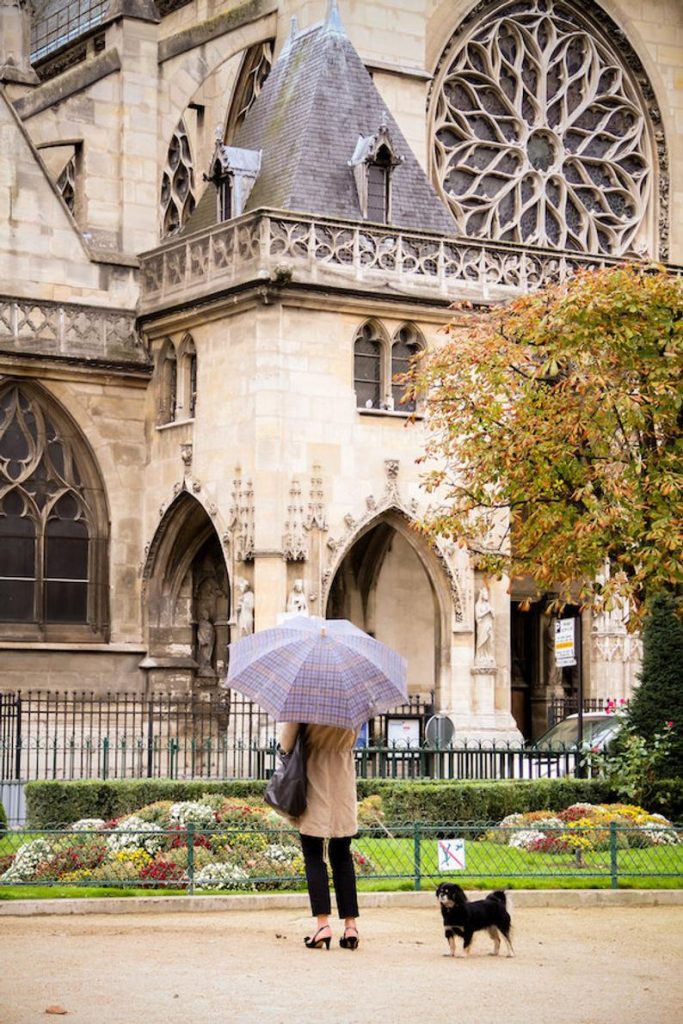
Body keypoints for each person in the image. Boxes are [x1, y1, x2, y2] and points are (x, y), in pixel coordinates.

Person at [277, 720, 360, 951]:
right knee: (342, 855)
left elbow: (286, 744)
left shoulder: (306, 702)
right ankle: (350, 926)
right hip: (343, 778)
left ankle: (323, 925)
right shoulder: (353, 703)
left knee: (313, 855)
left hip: (314, 778)